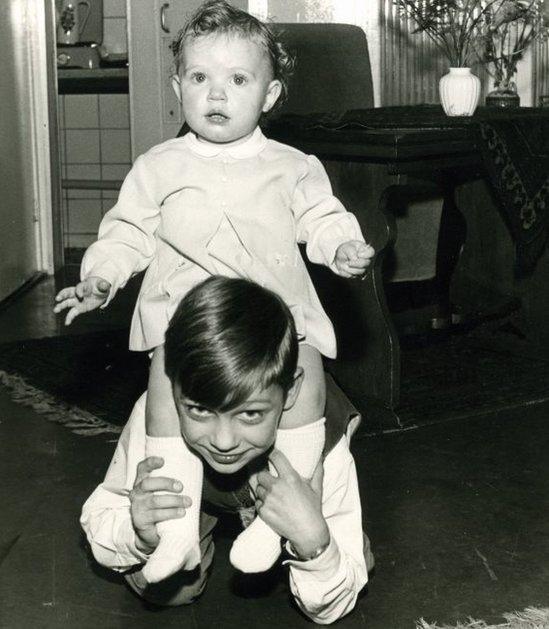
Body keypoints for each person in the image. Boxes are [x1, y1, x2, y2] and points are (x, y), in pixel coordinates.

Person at [55, 0, 374, 584]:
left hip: (274, 328)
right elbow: (127, 230)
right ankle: (172, 532)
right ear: (178, 87)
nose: (217, 95)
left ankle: (281, 518)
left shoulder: (293, 165)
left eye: (238, 79)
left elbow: (321, 215)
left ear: (271, 95)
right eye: (200, 78)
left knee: (305, 374)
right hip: (189, 328)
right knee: (164, 375)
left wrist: (340, 246)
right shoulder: (159, 166)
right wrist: (102, 275)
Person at [80, 276, 372, 624]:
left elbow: (329, 611)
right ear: (172, 391)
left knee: (342, 568)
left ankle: (298, 534)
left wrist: (315, 542)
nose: (223, 442)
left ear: (291, 392)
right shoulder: (158, 418)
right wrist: (139, 534)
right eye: (200, 410)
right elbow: (101, 515)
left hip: (288, 495)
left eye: (250, 414)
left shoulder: (318, 442)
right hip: (198, 494)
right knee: (166, 588)